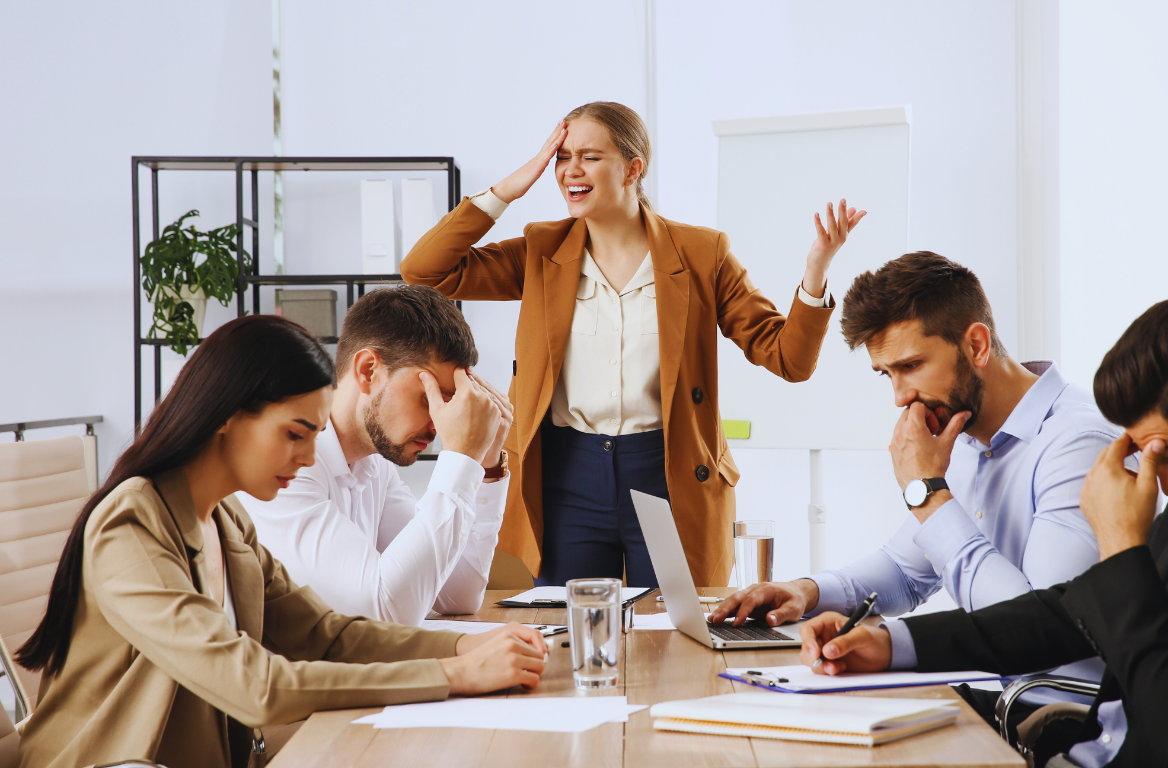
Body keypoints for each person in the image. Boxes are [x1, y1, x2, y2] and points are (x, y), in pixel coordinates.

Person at [798, 293, 1168, 766]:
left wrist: (1123, 548)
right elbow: (1069, 611)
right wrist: (890, 643)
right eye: (1146, 451)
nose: (1161, 482)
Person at [15, 315, 547, 768]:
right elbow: (256, 685)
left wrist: (463, 645)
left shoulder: (226, 521)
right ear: (227, 415)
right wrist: (451, 674)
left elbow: (327, 636)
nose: (310, 458)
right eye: (295, 434)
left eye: (315, 436)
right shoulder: (131, 522)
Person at [401, 101, 865, 587]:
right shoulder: (542, 251)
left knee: (675, 634)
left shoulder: (702, 254)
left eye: (589, 156)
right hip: (567, 476)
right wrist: (511, 187)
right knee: (572, 636)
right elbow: (425, 270)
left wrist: (815, 274)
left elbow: (788, 358)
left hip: (668, 472)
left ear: (632, 168)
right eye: (562, 157)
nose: (569, 171)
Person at [709, 252, 1117, 691]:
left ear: (976, 345)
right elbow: (906, 571)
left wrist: (928, 493)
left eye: (911, 366)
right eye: (887, 374)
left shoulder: (1078, 444)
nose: (901, 398)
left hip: (1065, 723)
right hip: (1005, 704)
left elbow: (1039, 632)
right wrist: (806, 591)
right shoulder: (960, 433)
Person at [237, 285, 513, 624]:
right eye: (429, 399)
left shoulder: (374, 468)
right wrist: (461, 458)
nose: (440, 426)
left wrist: (486, 466)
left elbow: (458, 594)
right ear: (368, 371)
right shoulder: (288, 466)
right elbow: (386, 611)